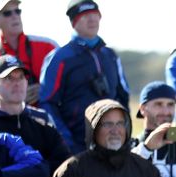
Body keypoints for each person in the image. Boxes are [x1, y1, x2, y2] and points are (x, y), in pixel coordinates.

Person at [39, 0, 130, 154]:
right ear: (74, 22)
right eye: (85, 15)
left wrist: (125, 135)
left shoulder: (111, 55)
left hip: (113, 144)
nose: (92, 19)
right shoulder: (59, 58)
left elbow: (123, 98)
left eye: (95, 14)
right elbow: (47, 103)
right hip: (77, 145)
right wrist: (66, 141)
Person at [0, 55, 72, 172]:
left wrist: (37, 172)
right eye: (9, 78)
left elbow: (63, 163)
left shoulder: (42, 119)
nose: (17, 83)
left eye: (21, 77)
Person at [53, 99, 160, 177]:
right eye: (108, 124)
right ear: (94, 130)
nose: (115, 130)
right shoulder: (72, 171)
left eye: (120, 123)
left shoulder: (146, 170)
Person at [0, 0, 58, 105]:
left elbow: (67, 83)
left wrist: (45, 90)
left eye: (17, 11)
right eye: (7, 13)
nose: (14, 16)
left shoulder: (48, 46)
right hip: (8, 119)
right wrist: (12, 98)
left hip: (49, 114)